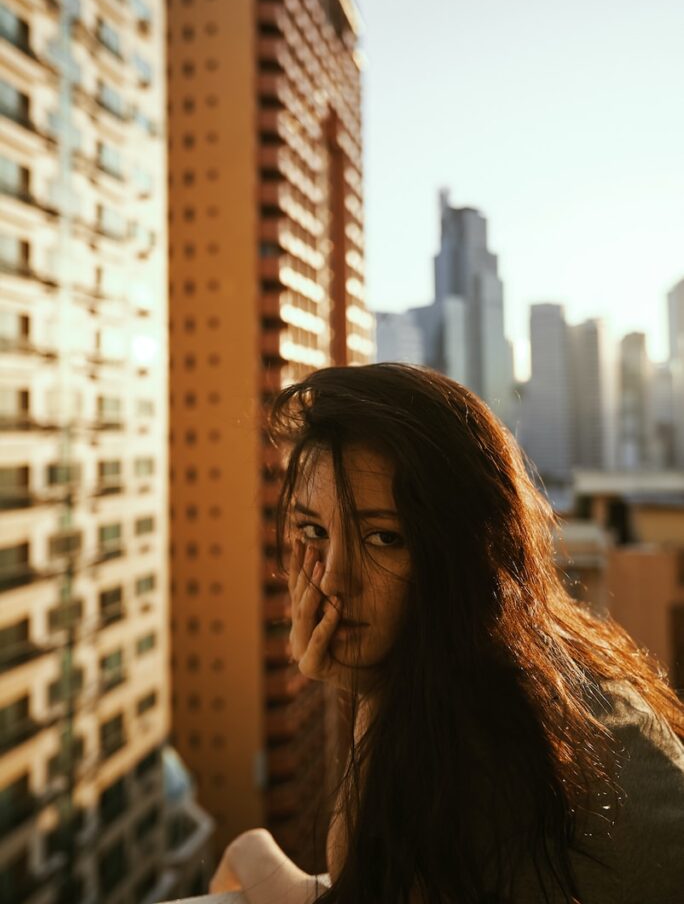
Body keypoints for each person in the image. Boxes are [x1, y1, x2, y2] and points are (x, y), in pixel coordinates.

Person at [210, 363, 684, 903]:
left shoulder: (466, 743)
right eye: (314, 531)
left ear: (468, 551)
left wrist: (370, 691)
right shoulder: (565, 666)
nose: (334, 577)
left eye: (385, 538)